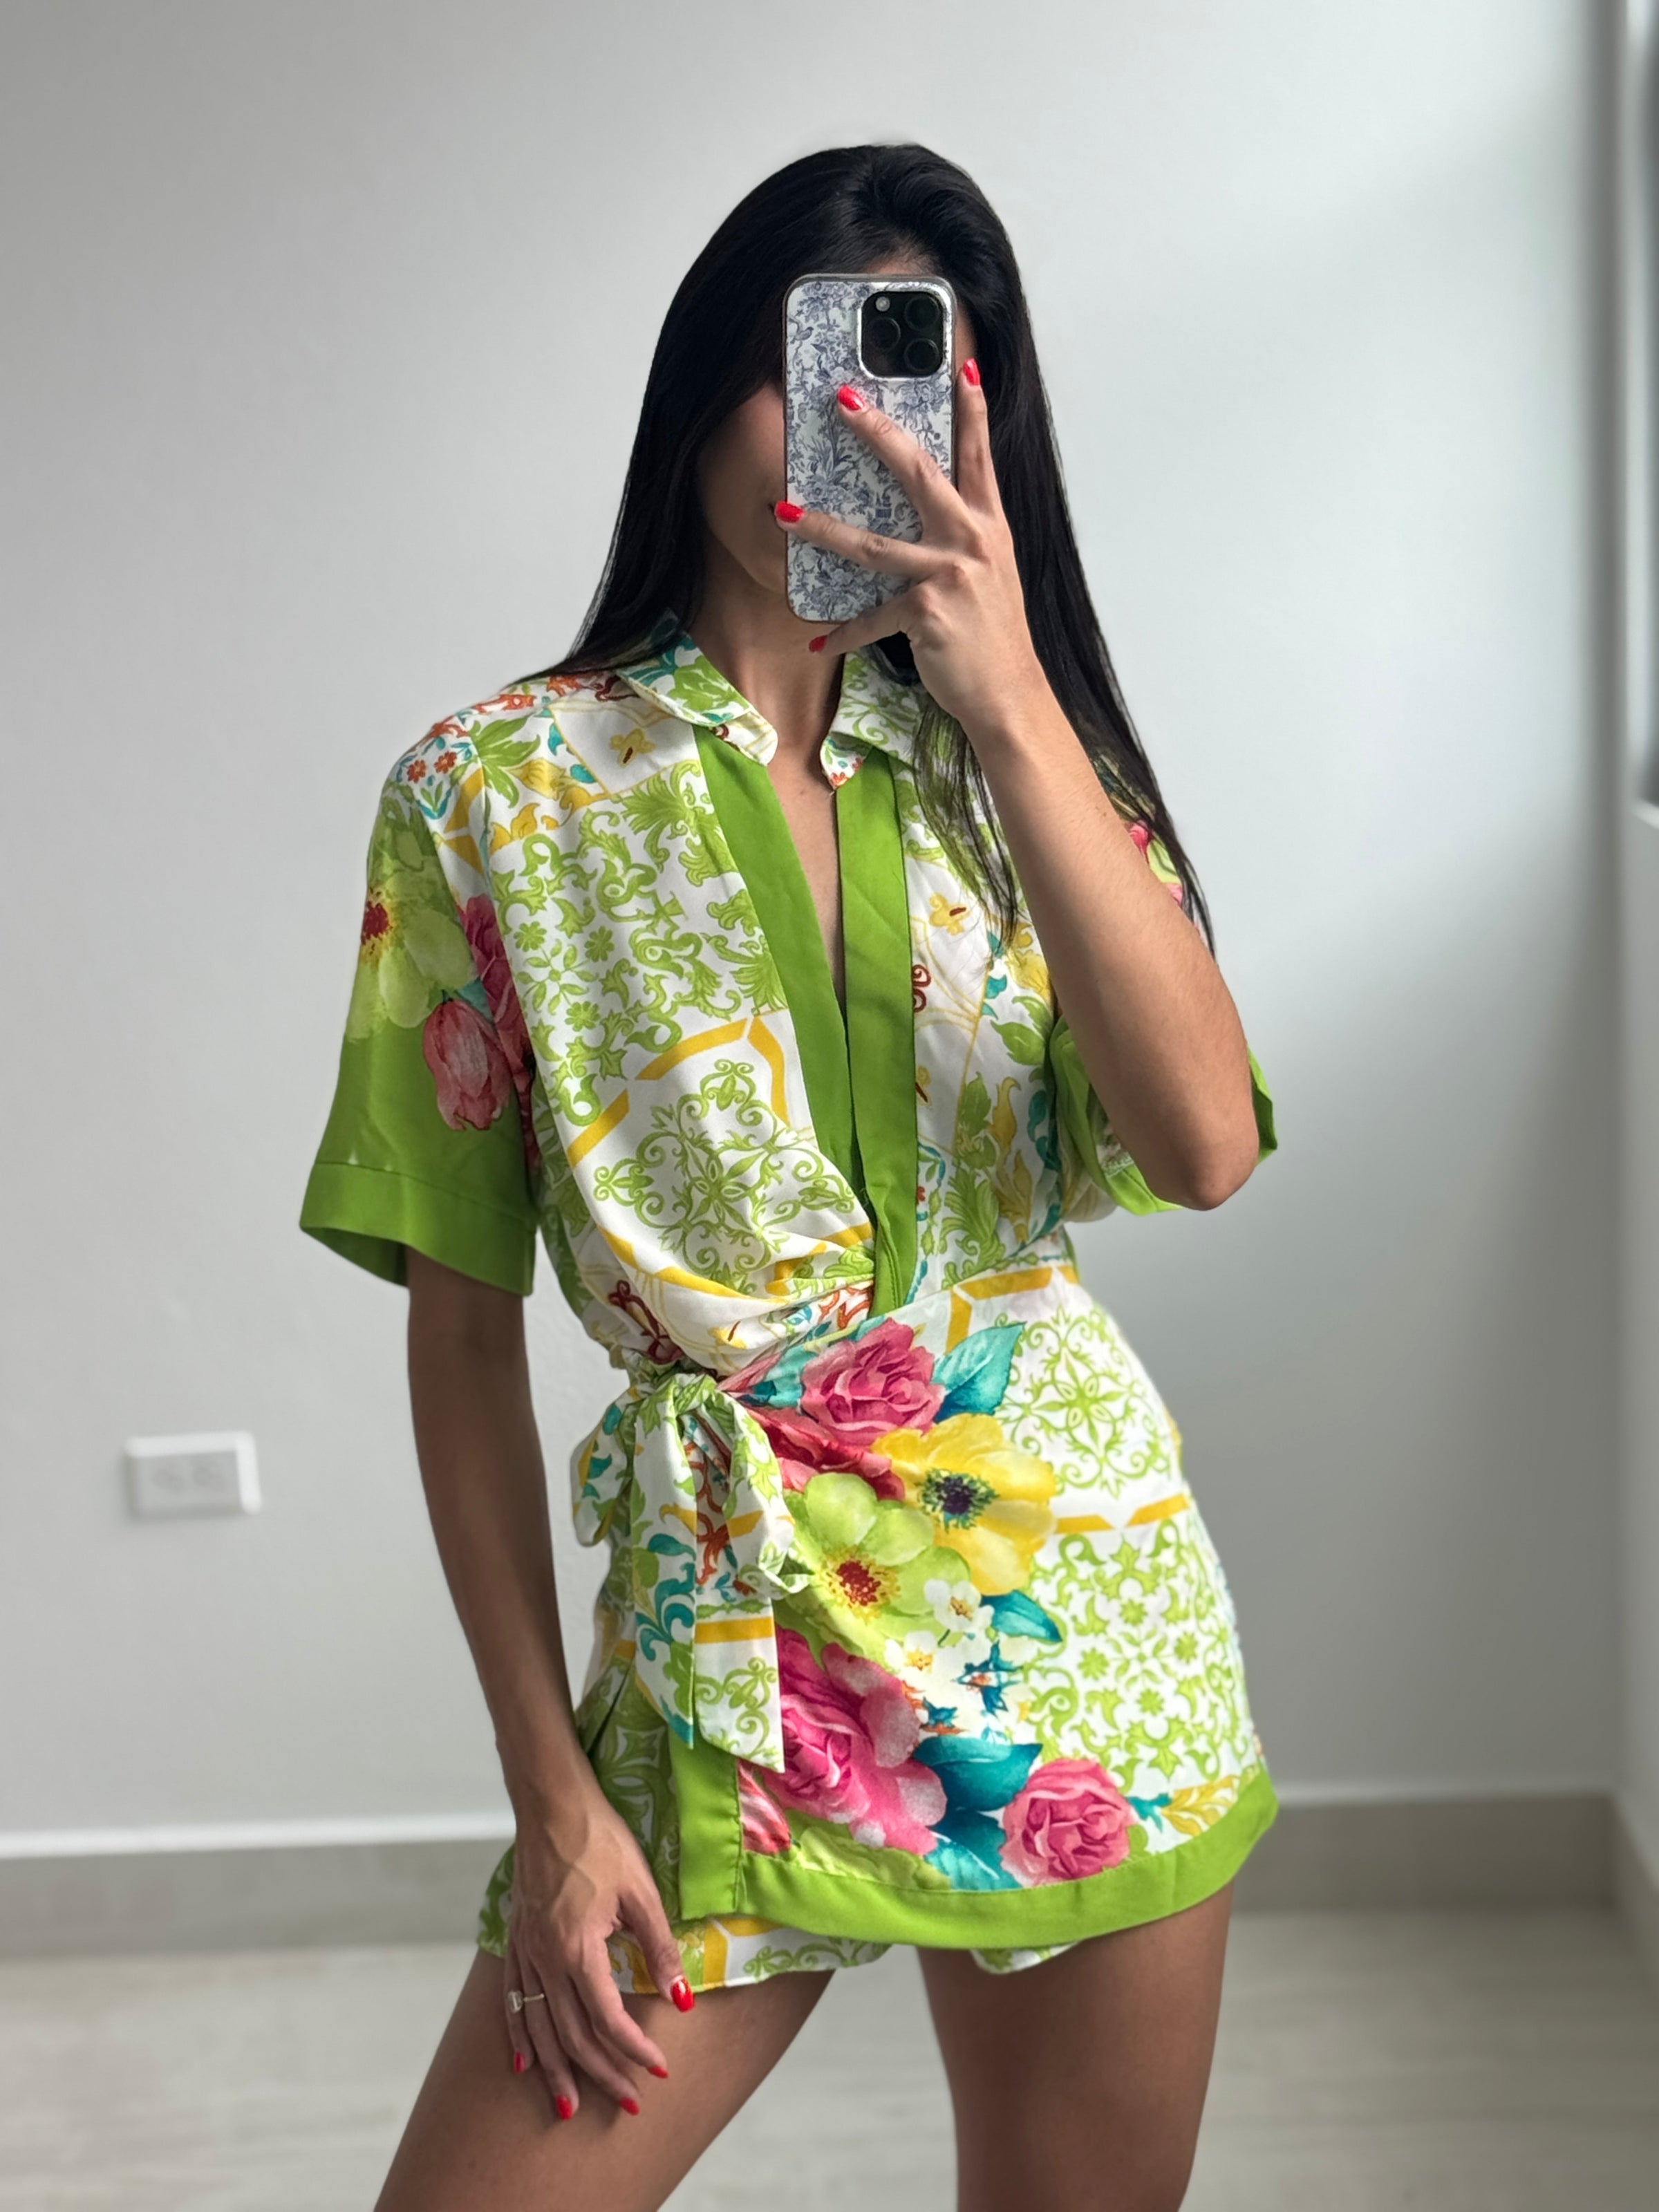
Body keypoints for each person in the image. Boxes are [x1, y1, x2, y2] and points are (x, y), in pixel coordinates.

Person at [300, 141, 1280, 2212]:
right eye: (792, 367)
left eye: (897, 383)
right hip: (720, 1650)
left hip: (1076, 1623)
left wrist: (1006, 703)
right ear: (698, 390)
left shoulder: (1027, 771)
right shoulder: (491, 795)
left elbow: (1202, 1147)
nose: (839, 431)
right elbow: (460, 1344)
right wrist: (549, 1798)